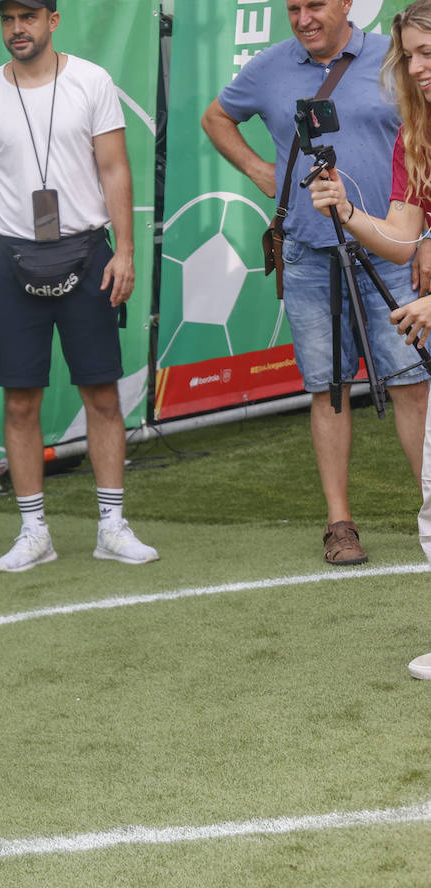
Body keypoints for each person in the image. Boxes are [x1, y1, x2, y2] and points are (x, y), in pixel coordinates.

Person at [201, 0, 430, 566]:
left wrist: (424, 239)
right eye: (293, 7)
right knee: (329, 388)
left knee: (412, 382)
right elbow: (215, 117)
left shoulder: (393, 59)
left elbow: (417, 163)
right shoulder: (268, 66)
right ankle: (339, 524)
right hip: (308, 251)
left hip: (391, 254)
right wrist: (263, 172)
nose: (304, 18)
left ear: (347, 4)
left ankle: (429, 506)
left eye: (316, 5)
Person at [0, 0, 157, 573]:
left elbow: (114, 167)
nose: (17, 29)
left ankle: (111, 526)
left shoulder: (92, 81)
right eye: (7, 19)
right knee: (20, 400)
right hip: (11, 258)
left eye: (28, 16)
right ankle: (33, 531)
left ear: (53, 20)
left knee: (102, 394)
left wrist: (125, 250)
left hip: (88, 254)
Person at [308, 0, 431, 570]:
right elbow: (403, 239)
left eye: (426, 53)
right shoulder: (415, 136)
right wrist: (346, 209)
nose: (416, 68)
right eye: (408, 57)